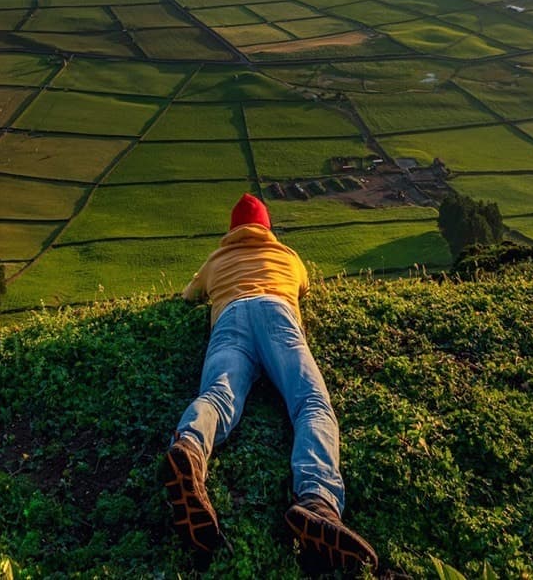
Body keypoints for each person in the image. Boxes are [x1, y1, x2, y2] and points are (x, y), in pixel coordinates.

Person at [161, 192, 378, 574]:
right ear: (266, 228)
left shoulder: (216, 260)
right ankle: (317, 500)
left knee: (216, 395)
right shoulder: (288, 257)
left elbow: (188, 296)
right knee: (311, 404)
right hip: (277, 313)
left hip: (229, 317)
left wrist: (214, 284)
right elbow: (305, 287)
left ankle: (190, 447)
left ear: (232, 230)